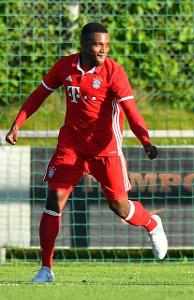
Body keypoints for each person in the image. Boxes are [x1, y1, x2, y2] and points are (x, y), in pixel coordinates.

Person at [4, 22, 168, 283]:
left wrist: (145, 141)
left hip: (106, 149)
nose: (103, 50)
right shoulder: (65, 66)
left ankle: (151, 224)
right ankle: (46, 269)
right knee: (54, 200)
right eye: (97, 44)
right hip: (71, 145)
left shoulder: (114, 71)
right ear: (83, 45)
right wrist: (17, 124)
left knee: (120, 207)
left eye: (106, 45)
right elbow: (39, 94)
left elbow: (131, 112)